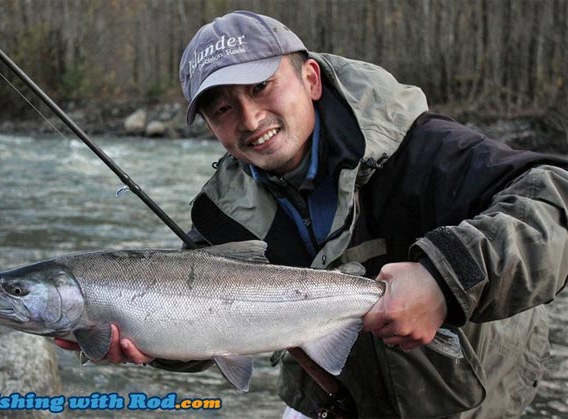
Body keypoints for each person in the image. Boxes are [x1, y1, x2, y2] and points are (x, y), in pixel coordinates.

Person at [56, 11, 568, 418]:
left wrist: (442, 278)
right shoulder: (222, 217)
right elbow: (209, 327)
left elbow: (557, 200)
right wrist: (147, 343)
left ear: (311, 79)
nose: (251, 120)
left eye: (260, 87)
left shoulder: (424, 151)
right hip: (330, 396)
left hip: (471, 395)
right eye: (222, 108)